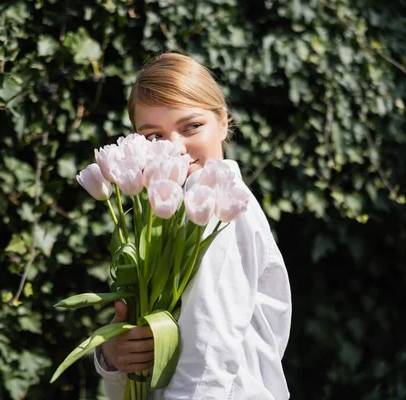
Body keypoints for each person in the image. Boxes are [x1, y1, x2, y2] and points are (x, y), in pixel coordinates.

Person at [93, 53, 292, 399]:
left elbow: (208, 352)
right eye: (153, 136)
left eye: (191, 127)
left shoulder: (217, 200)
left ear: (223, 122)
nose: (174, 148)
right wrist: (112, 355)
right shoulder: (154, 217)